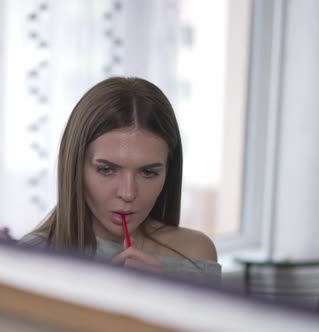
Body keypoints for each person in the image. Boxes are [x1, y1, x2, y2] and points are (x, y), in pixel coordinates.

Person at [19, 77, 221, 283]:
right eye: (106, 170)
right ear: (75, 168)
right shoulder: (32, 256)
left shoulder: (196, 253)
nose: (128, 193)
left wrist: (162, 295)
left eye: (148, 173)